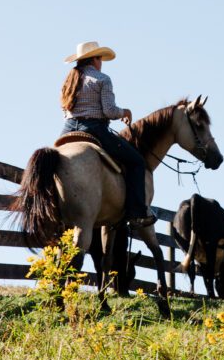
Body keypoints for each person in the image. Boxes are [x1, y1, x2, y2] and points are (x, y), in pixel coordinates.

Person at [60, 41, 155, 227]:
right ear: (94, 59)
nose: (101, 62)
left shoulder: (70, 80)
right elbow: (110, 111)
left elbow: (65, 109)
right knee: (137, 162)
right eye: (100, 58)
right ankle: (137, 213)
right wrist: (125, 113)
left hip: (68, 129)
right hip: (94, 129)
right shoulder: (102, 79)